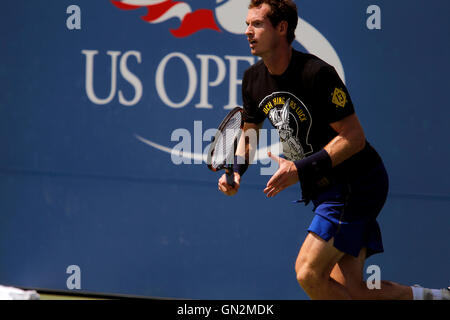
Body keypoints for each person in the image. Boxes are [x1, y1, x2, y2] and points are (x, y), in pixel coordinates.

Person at [217, 0, 449, 300]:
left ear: (282, 28)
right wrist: (235, 173)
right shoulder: (253, 80)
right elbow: (248, 134)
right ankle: (437, 297)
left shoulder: (316, 74)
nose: (248, 31)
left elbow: (354, 138)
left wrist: (298, 169)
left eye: (257, 24)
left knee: (308, 272)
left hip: (357, 182)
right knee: (351, 292)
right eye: (247, 24)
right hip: (326, 188)